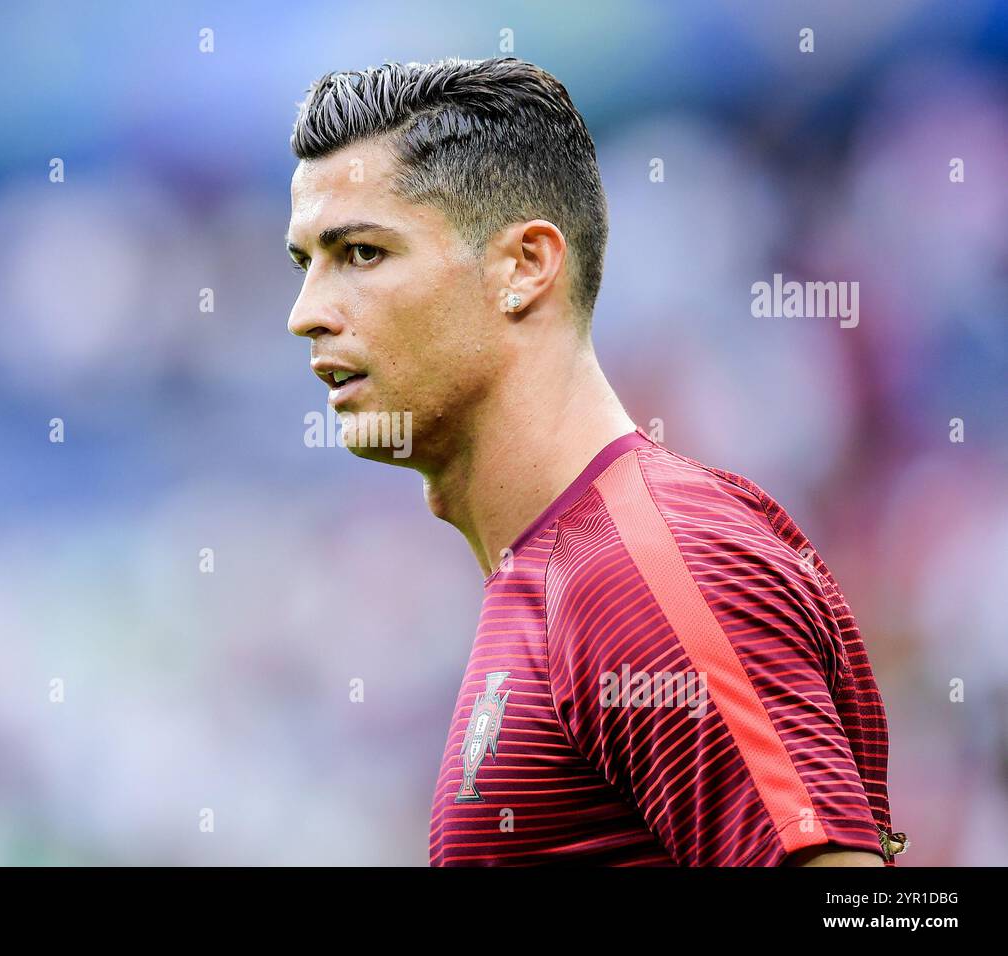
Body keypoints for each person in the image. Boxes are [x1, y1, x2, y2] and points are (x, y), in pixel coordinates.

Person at [284, 57, 900, 866]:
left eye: (361, 253)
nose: (306, 315)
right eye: (306, 265)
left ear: (524, 266)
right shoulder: (558, 568)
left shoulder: (639, 567)